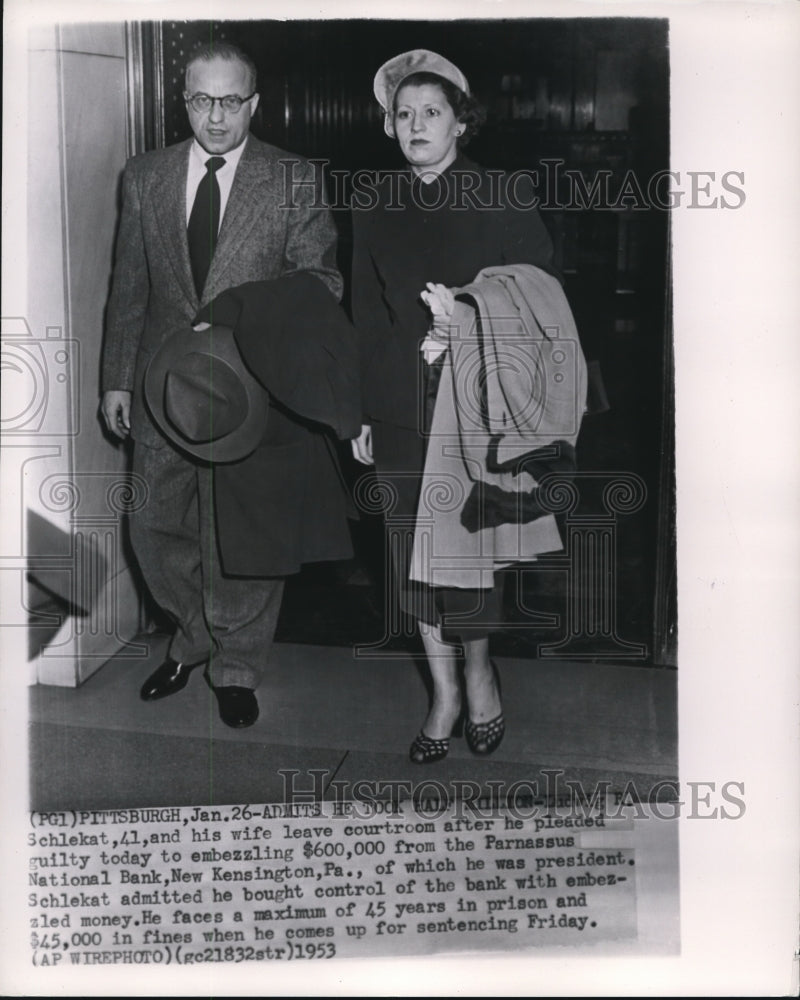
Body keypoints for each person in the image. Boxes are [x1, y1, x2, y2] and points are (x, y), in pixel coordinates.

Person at [100, 41, 350, 729]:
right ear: (183, 101)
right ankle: (193, 635)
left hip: (251, 382)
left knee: (245, 534)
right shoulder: (145, 176)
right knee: (152, 522)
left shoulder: (293, 177)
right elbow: (130, 289)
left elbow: (321, 282)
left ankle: (236, 666)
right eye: (203, 99)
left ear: (254, 103)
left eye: (231, 100)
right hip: (161, 386)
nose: (216, 115)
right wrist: (116, 379)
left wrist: (247, 318)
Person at [350, 50, 574, 763]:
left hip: (478, 403)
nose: (416, 125)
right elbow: (360, 310)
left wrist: (467, 320)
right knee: (407, 554)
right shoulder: (372, 202)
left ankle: (479, 673)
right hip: (396, 401)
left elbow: (542, 294)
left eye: (432, 113)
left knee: (469, 554)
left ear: (460, 123)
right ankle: (442, 692)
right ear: (390, 127)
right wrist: (358, 409)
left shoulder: (501, 194)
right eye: (404, 114)